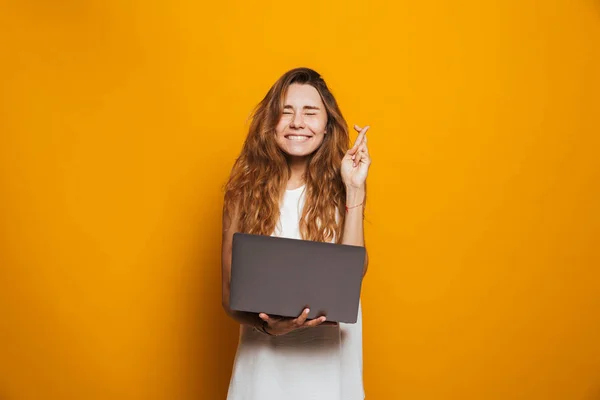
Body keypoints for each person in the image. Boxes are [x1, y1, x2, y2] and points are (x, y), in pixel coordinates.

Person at [221, 67, 372, 400]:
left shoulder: (343, 187)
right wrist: (266, 326)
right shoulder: (242, 192)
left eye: (310, 112)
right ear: (270, 122)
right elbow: (229, 296)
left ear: (327, 126)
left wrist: (355, 188)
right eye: (285, 112)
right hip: (263, 368)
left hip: (330, 368)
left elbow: (353, 273)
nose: (297, 123)